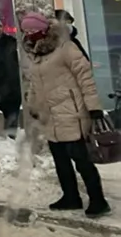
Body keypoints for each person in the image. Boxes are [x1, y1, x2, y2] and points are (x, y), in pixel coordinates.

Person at [20, 13, 110, 217]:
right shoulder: (34, 52)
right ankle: (71, 197)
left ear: (44, 28)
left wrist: (94, 107)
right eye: (26, 30)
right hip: (49, 115)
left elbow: (85, 76)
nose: (30, 33)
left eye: (33, 29)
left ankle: (98, 200)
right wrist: (33, 105)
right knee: (60, 160)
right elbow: (34, 83)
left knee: (81, 158)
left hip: (71, 111)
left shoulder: (65, 47)